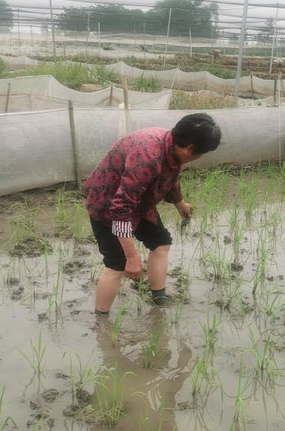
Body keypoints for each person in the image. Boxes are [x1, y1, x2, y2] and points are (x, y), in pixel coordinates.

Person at [83, 113, 222, 314]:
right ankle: (101, 321)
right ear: (189, 149)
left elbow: (171, 176)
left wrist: (179, 203)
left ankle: (159, 299)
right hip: (107, 206)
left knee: (160, 242)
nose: (199, 158)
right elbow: (120, 209)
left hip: (138, 204)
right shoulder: (148, 155)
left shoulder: (171, 146)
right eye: (201, 153)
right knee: (117, 264)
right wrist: (132, 258)